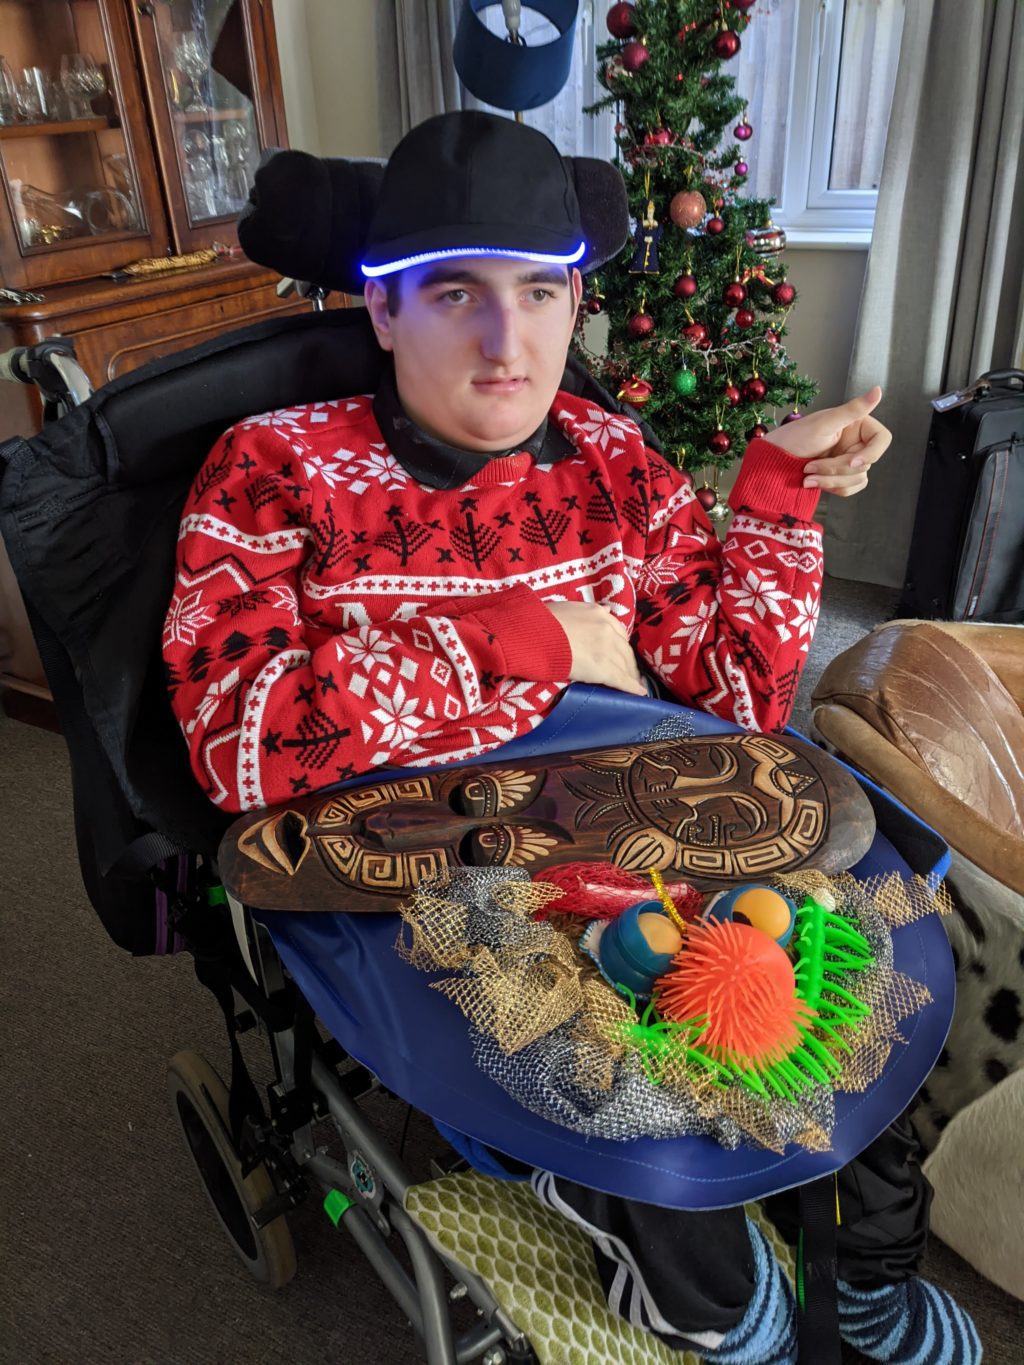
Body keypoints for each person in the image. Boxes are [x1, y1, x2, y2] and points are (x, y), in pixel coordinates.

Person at [163, 113, 980, 1363]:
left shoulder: (611, 459)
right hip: (414, 855)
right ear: (383, 311)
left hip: (635, 795)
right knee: (619, 1054)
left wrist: (768, 500)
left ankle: (858, 1275)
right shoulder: (273, 468)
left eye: (541, 293)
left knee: (873, 940)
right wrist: (515, 637)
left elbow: (735, 707)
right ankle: (713, 1303)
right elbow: (239, 746)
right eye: (456, 294)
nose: (511, 342)